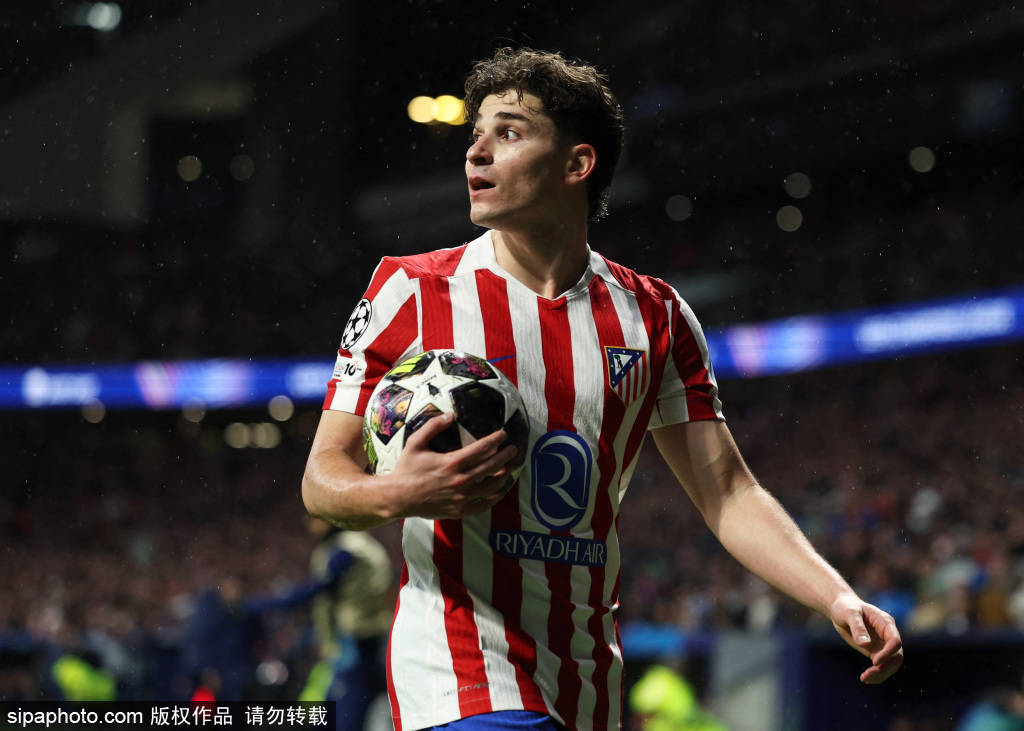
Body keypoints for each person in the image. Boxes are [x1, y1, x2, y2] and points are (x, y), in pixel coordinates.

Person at [302, 47, 904, 731]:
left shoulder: (655, 316)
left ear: (577, 164)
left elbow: (728, 492)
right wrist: (398, 493)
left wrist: (836, 596)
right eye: (476, 134)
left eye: (508, 132)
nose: (476, 152)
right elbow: (322, 478)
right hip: (458, 669)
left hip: (587, 682)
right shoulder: (409, 289)